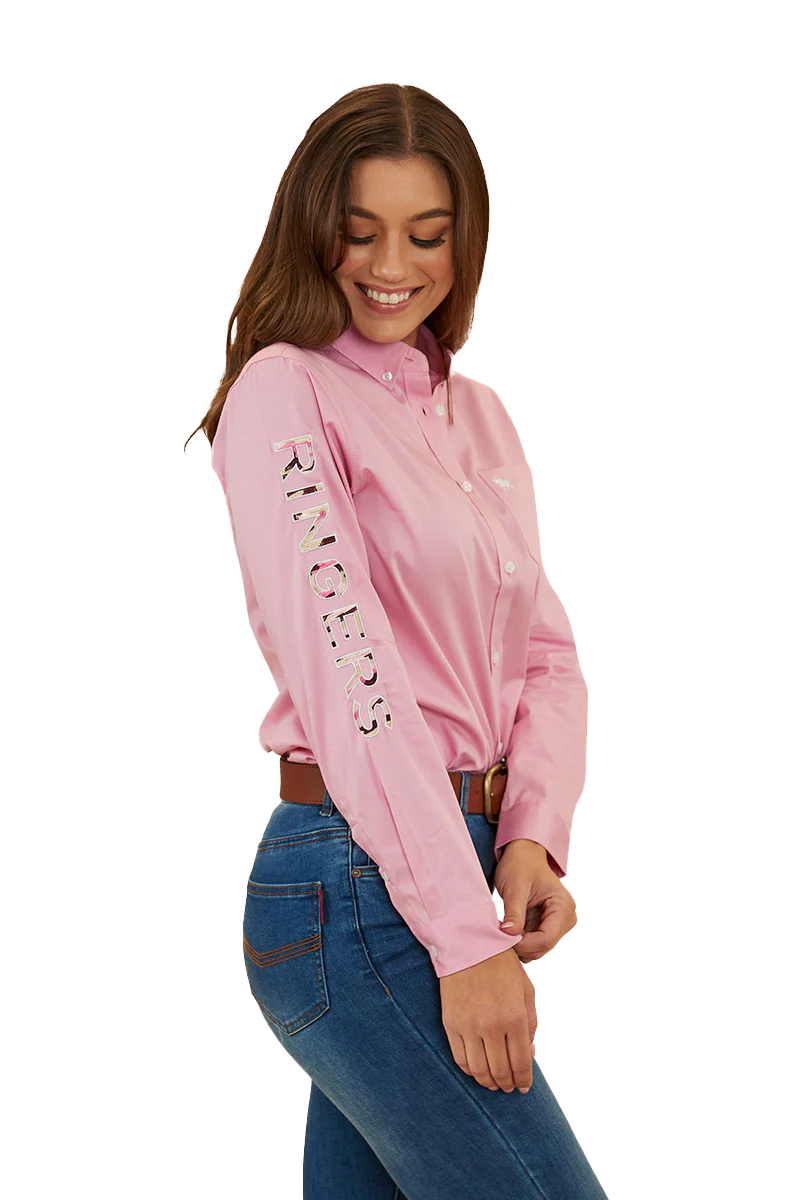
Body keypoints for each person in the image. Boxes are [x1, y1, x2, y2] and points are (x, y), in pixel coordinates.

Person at [188, 83, 608, 1200]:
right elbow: (349, 677)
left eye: (427, 234)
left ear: (465, 243)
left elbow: (545, 656)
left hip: (455, 863)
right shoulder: (285, 392)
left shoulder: (479, 416)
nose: (391, 265)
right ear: (311, 228)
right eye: (359, 229)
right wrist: (462, 940)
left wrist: (530, 835)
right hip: (355, 880)